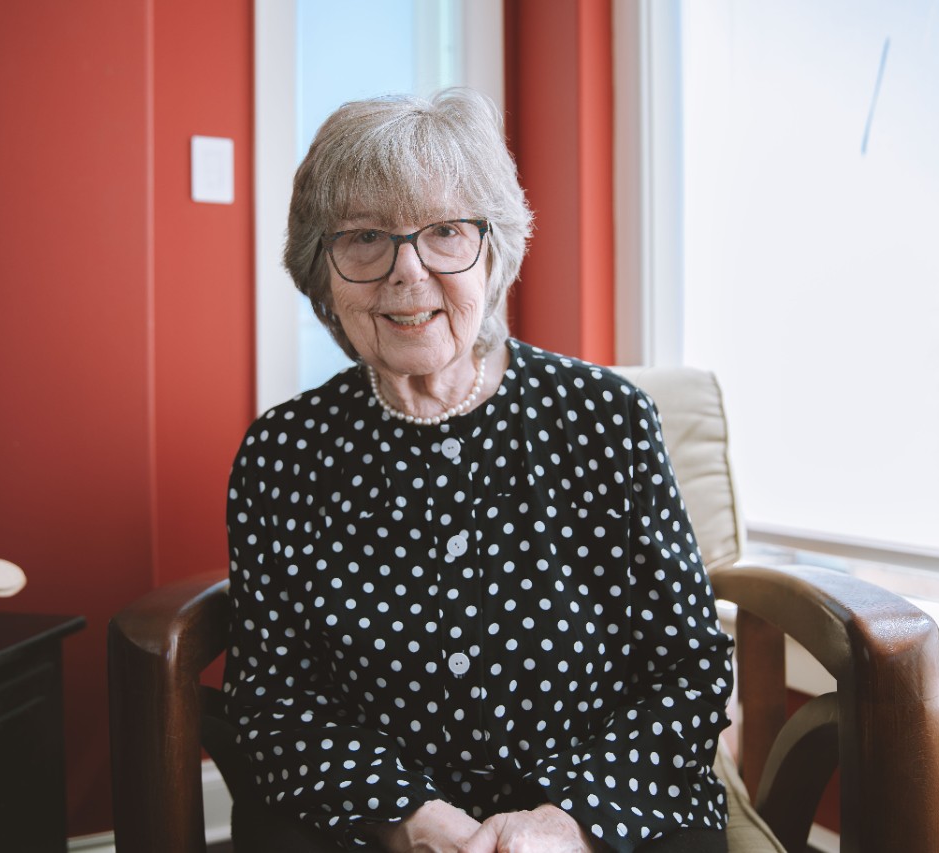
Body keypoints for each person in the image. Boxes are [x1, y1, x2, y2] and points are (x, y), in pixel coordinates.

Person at [214, 88, 734, 853]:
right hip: (366, 825)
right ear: (320, 268)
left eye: (445, 231)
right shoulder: (283, 456)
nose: (407, 272)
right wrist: (409, 818)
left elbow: (688, 666)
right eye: (364, 237)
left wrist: (569, 824)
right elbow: (271, 699)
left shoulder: (606, 421)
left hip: (606, 815)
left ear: (494, 250)